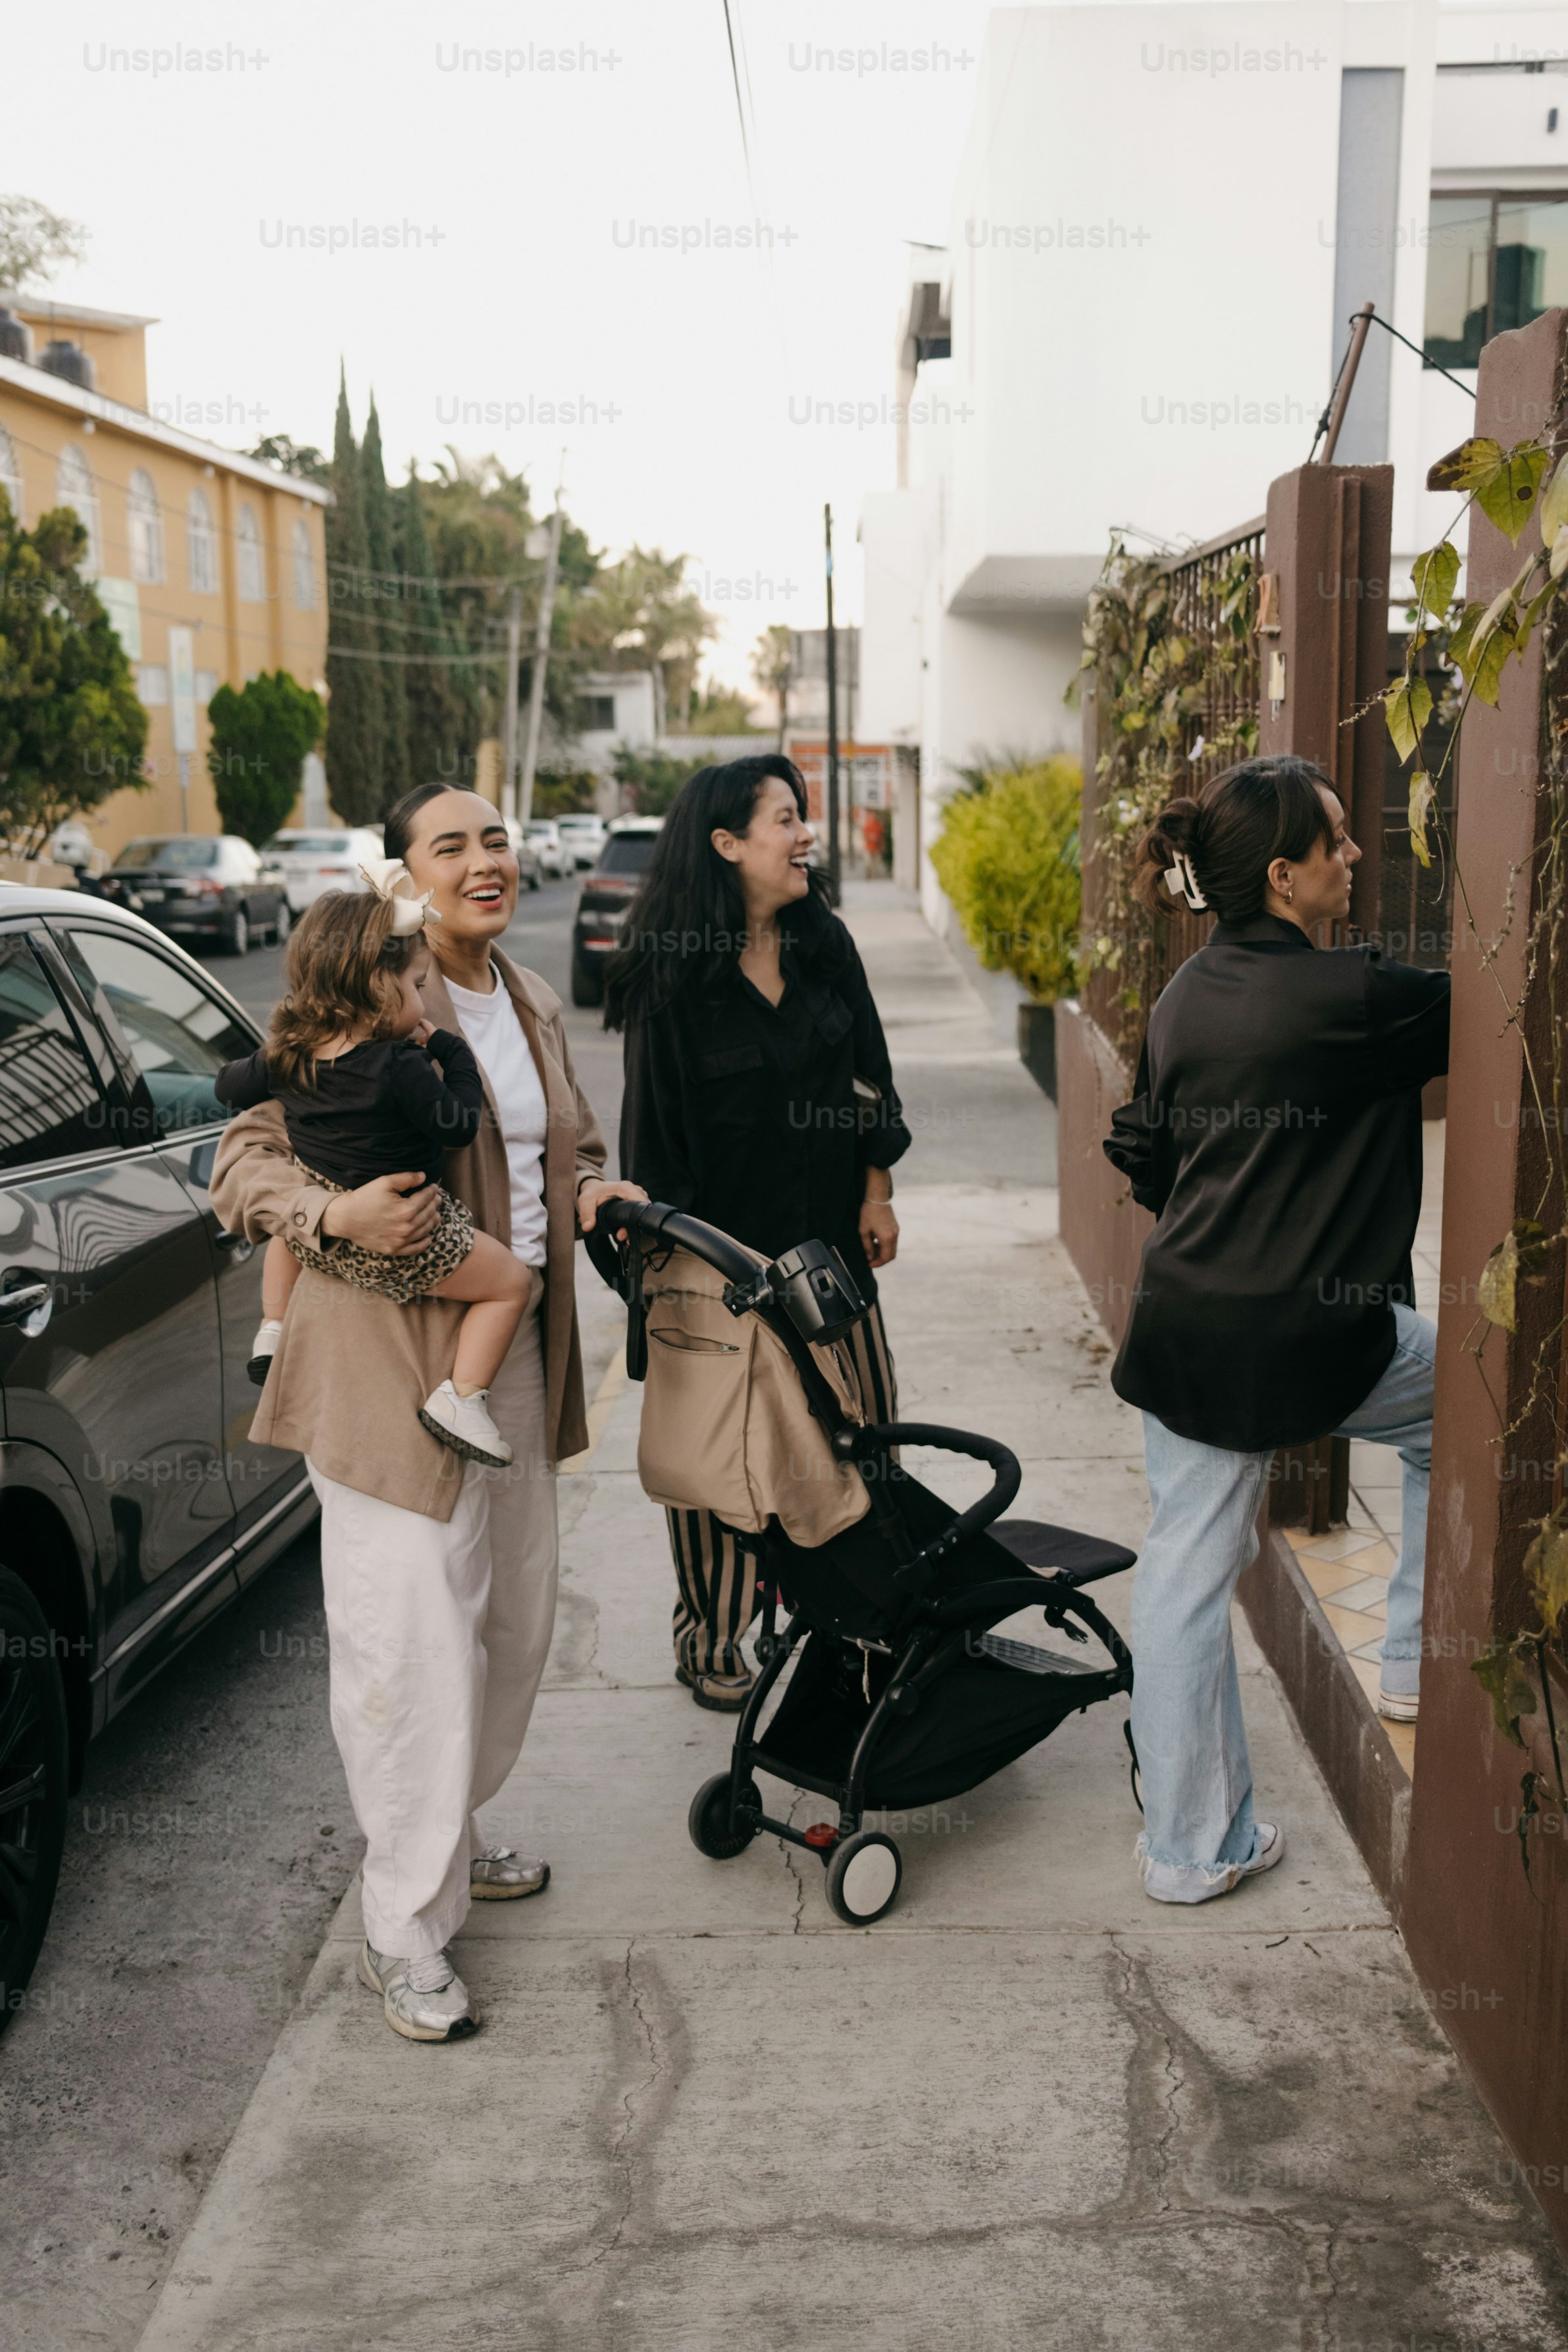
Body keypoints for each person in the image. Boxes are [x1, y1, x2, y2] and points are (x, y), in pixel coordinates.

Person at [211, 784, 645, 2041]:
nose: (486, 859)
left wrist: (596, 1189)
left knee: (511, 1624)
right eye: (450, 843)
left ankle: (447, 1832)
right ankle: (404, 1925)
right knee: (406, 1644)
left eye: (497, 837)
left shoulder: (529, 999)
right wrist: (328, 1214)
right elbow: (242, 1156)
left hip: (506, 1354)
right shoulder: (362, 995)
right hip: (378, 1362)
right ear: (405, 873)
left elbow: (564, 1147)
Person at [1103, 754, 1449, 1907]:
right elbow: (1493, 1010)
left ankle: (1188, 1848)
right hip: (1314, 1339)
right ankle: (1410, 1664)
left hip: (1184, 1327)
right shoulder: (1353, 994)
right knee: (1467, 1406)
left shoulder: (1181, 994)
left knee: (1184, 1572)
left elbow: (1147, 1155)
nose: (1357, 854)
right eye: (1340, 841)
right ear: (1287, 873)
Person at [606, 754, 911, 1710]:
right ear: (726, 843)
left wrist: (876, 1188)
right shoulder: (671, 981)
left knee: (864, 1439)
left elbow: (869, 1076)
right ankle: (713, 1632)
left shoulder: (825, 947)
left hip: (829, 1264)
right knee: (720, 1465)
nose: (802, 834)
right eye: (783, 818)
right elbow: (652, 1146)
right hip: (717, 1276)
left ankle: (867, 1611)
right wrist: (671, 1279)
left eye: (800, 815)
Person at [217, 871, 530, 1468]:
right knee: (510, 1284)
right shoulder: (399, 1065)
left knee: (294, 1221)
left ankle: (275, 1326)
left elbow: (227, 1086)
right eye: (415, 984)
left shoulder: (287, 1057)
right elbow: (459, 1125)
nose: (420, 1000)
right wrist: (452, 1054)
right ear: (376, 990)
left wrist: (275, 1057)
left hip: (319, 1239)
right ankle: (462, 1398)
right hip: (410, 1237)